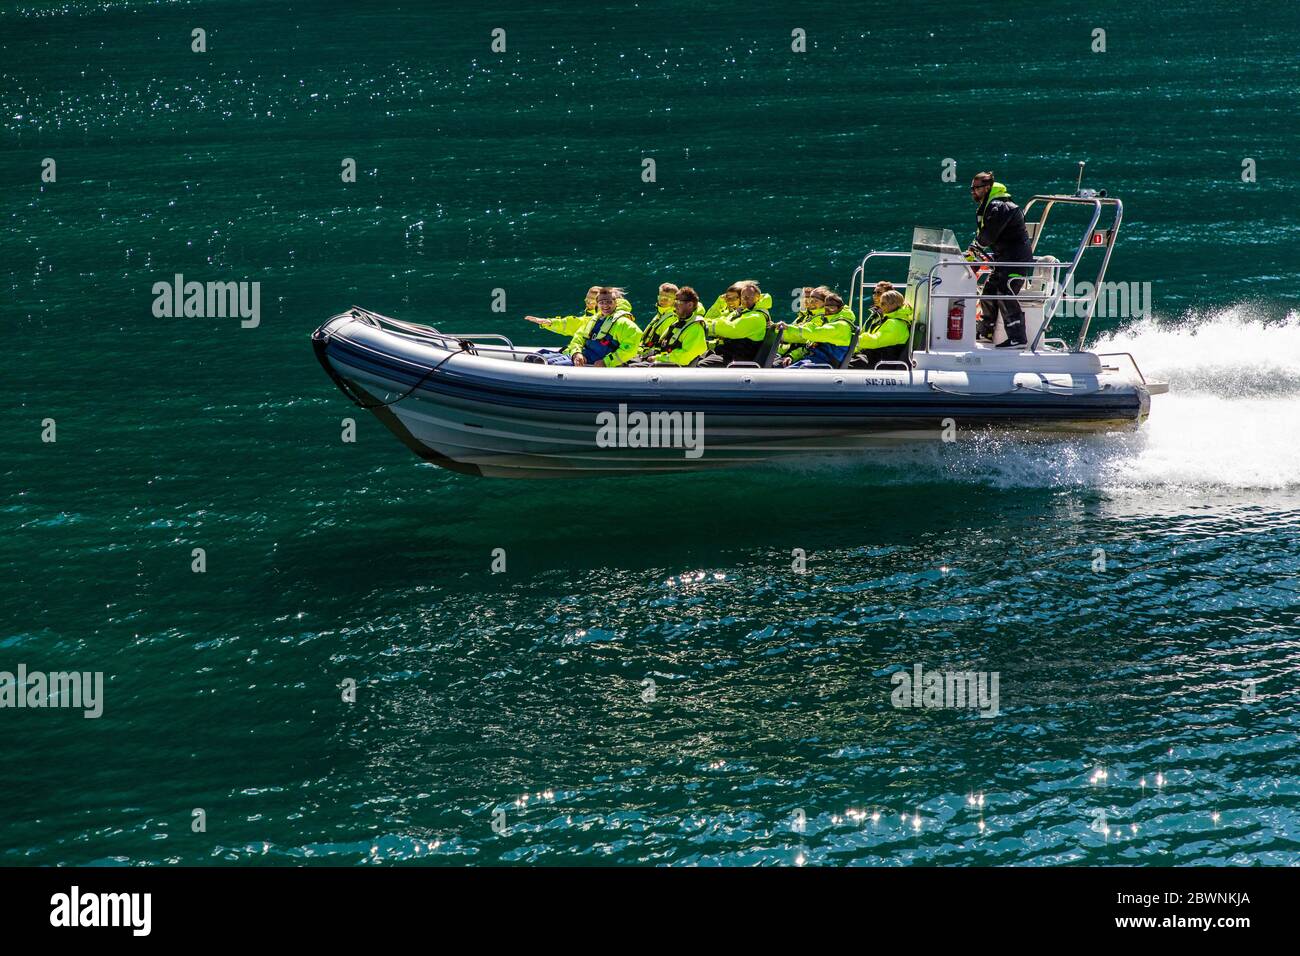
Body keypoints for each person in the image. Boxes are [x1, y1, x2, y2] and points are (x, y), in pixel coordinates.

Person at [967, 172, 1033, 348]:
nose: (972, 191)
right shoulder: (992, 206)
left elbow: (987, 236)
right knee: (990, 289)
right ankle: (986, 331)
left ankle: (1018, 338)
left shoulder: (1000, 207)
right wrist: (973, 250)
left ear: (987, 188)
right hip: (1004, 259)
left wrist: (974, 249)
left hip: (1015, 260)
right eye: (972, 188)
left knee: (1005, 291)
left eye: (976, 188)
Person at [527, 287, 641, 367]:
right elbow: (578, 336)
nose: (605, 305)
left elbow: (631, 346)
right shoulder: (595, 319)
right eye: (601, 302)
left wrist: (607, 362)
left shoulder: (623, 323)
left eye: (609, 302)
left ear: (616, 302)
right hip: (581, 356)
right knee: (536, 358)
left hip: (593, 362)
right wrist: (577, 353)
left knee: (548, 365)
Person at [697, 281, 771, 366]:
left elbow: (732, 329)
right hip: (727, 353)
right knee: (694, 357)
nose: (745, 300)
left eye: (749, 297)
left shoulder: (756, 316)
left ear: (758, 298)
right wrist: (704, 323)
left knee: (699, 367)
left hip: (737, 359)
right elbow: (723, 320)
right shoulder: (743, 311)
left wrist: (706, 326)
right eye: (743, 297)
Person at [781, 290, 855, 367]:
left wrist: (789, 328)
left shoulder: (841, 325)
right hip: (814, 358)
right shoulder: (829, 322)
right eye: (826, 308)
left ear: (840, 308)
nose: (828, 311)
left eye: (832, 308)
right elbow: (810, 345)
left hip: (824, 363)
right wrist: (792, 356)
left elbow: (815, 333)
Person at [641, 286, 709, 366]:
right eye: (675, 302)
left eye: (679, 302)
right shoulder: (677, 323)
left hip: (673, 369)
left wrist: (658, 358)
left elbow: (684, 358)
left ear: (690, 305)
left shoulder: (695, 328)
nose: (675, 305)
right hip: (664, 364)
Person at [850, 288, 913, 368]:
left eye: (883, 303)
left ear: (893, 304)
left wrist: (852, 339)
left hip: (878, 363)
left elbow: (875, 341)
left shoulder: (895, 324)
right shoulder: (891, 320)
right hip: (873, 359)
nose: (880, 306)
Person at [524, 286, 601, 339]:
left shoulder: (599, 318)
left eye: (591, 300)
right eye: (586, 299)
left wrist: (549, 322)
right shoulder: (589, 313)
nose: (587, 302)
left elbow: (573, 324)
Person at [637, 283, 682, 358]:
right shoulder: (660, 314)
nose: (662, 301)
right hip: (643, 352)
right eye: (660, 297)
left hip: (653, 356)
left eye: (667, 299)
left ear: (675, 301)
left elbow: (663, 345)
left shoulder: (672, 318)